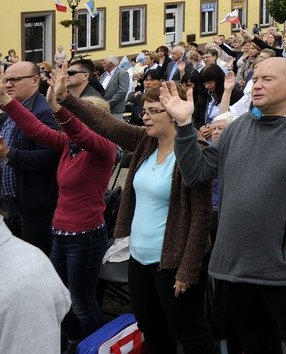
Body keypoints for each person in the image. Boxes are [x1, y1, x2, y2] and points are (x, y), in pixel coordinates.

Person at [160, 57, 286, 353]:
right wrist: (183, 125)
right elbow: (196, 174)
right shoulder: (238, 126)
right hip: (236, 266)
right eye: (255, 78)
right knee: (255, 346)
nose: (257, 84)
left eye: (268, 79)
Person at [57, 71, 214, 354]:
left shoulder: (193, 152)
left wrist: (188, 269)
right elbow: (105, 124)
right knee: (151, 326)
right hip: (139, 256)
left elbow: (202, 217)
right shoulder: (145, 143)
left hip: (174, 262)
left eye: (155, 111)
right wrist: (67, 99)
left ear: (174, 113)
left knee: (189, 330)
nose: (146, 116)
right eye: (144, 111)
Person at [0, 70, 115, 350]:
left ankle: (104, 345)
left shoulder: (102, 148)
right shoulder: (69, 145)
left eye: (81, 117)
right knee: (63, 299)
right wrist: (6, 102)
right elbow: (35, 127)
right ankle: (73, 342)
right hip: (61, 232)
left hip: (85, 236)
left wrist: (60, 106)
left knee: (84, 304)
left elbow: (78, 130)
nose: (71, 124)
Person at [0, 164, 72, 354]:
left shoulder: (23, 286)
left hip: (50, 216)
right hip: (30, 209)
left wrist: (12, 154)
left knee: (82, 300)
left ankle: (77, 338)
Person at [0, 61, 61, 255]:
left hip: (34, 208)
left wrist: (9, 155)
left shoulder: (42, 112)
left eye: (14, 80)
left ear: (34, 81)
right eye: (6, 80)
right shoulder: (7, 113)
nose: (7, 85)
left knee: (36, 260)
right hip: (8, 205)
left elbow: (51, 156)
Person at [100, 56, 131, 120]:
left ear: (110, 64)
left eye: (104, 63)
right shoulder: (104, 75)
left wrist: (109, 103)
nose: (102, 65)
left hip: (115, 110)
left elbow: (122, 91)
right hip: (103, 108)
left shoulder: (122, 73)